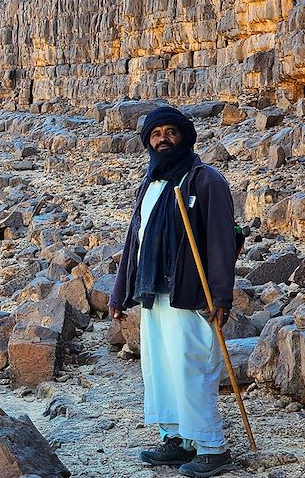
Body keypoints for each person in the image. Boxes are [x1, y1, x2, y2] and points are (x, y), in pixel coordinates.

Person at [109, 106, 237, 478]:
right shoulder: (149, 184)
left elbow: (221, 241)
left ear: (185, 137)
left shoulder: (204, 180)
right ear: (148, 141)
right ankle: (177, 439)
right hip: (154, 293)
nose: (162, 138)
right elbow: (135, 242)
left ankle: (212, 447)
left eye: (170, 132)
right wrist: (120, 293)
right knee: (160, 368)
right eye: (156, 133)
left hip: (191, 295)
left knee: (191, 367)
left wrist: (220, 297)